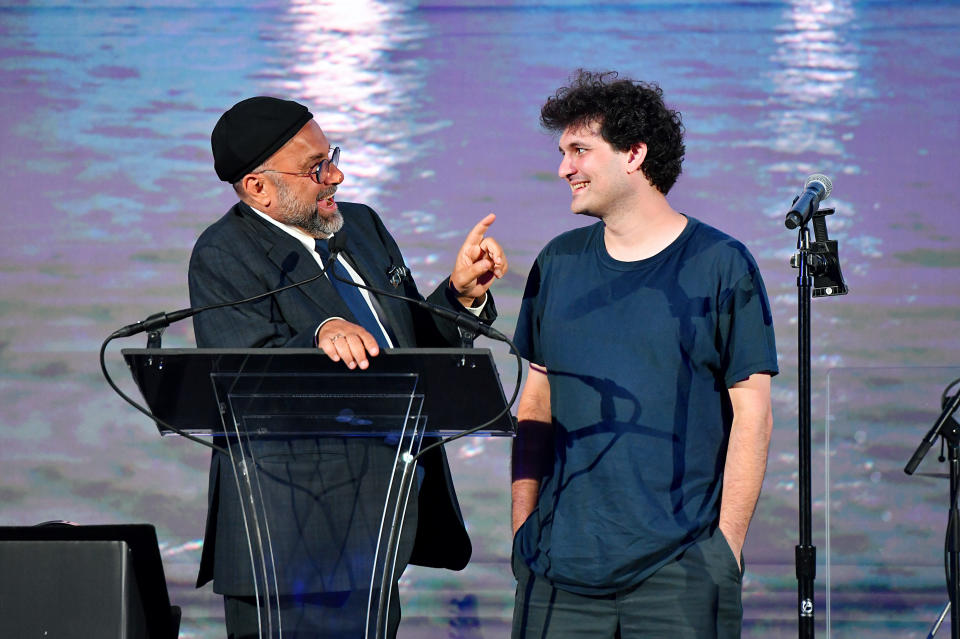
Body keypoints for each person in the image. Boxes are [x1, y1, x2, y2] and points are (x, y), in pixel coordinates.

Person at [188, 96, 507, 638]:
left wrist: (457, 298)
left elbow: (401, 352)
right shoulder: (223, 253)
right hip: (288, 543)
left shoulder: (359, 227)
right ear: (258, 188)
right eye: (316, 168)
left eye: (331, 155)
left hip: (378, 528)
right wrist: (319, 333)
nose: (336, 174)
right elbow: (245, 382)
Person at [510, 70, 778, 638]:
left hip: (679, 574)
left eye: (580, 150)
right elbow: (536, 399)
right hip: (556, 571)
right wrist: (523, 529)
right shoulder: (557, 262)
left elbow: (752, 413)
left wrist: (723, 554)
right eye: (562, 152)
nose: (564, 168)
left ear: (634, 154)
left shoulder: (721, 264)